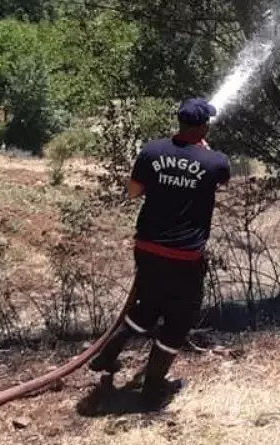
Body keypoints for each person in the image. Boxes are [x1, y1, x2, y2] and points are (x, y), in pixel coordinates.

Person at [89, 97, 232, 407]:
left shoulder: (151, 151)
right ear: (204, 126)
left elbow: (133, 192)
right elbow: (221, 179)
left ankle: (107, 355)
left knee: (149, 305)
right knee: (178, 321)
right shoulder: (216, 161)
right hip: (185, 257)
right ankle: (153, 389)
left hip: (148, 248)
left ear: (179, 122)